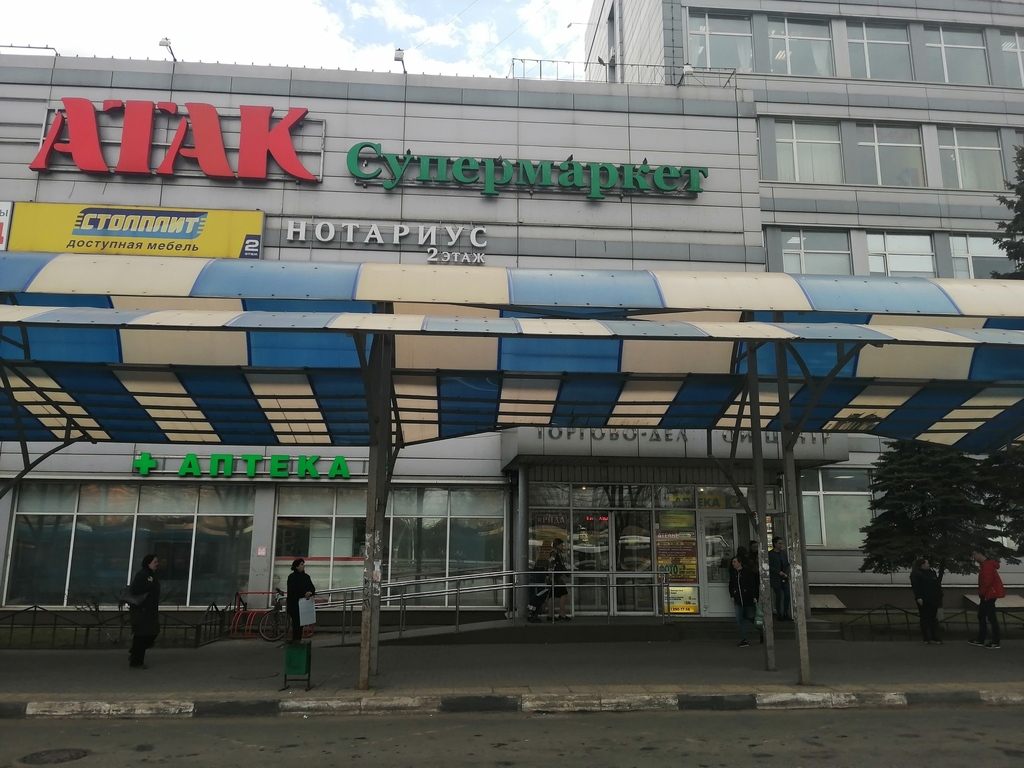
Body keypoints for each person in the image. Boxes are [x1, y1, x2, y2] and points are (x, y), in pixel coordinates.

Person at [127, 554, 160, 669]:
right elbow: (135, 589)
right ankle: (136, 661)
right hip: (142, 611)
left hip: (149, 611)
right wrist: (149, 584)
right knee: (142, 636)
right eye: (154, 562)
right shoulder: (142, 574)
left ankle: (135, 653)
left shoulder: (151, 575)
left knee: (150, 634)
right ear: (148, 563)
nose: (157, 564)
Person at [969, 547, 1005, 649]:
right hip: (988, 594)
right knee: (982, 615)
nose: (973, 557)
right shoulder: (985, 564)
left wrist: (984, 594)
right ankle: (981, 638)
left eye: (974, 554)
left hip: (989, 594)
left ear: (980, 554)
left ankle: (995, 641)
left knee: (990, 617)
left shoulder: (987, 565)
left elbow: (987, 582)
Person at [728, 556, 761, 647]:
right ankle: (744, 639)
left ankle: (761, 630)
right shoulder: (733, 574)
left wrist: (755, 596)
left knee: (751, 617)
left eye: (735, 561)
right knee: (739, 620)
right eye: (732, 562)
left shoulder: (747, 573)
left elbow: (753, 585)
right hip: (738, 600)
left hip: (748, 599)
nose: (733, 563)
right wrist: (732, 595)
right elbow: (731, 585)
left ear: (740, 563)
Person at [909, 557, 943, 644]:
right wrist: (918, 597)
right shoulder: (916, 574)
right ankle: (926, 637)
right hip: (923, 598)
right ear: (922, 565)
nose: (928, 564)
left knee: (933, 617)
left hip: (933, 598)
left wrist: (939, 595)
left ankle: (934, 636)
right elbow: (916, 587)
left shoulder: (932, 573)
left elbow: (936, 585)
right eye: (927, 563)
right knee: (924, 617)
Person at [286, 558, 316, 642]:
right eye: (301, 564)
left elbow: (312, 588)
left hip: (303, 604)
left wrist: (310, 592)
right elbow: (292, 590)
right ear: (297, 566)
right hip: (294, 604)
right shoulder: (292, 577)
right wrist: (304, 594)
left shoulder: (306, 577)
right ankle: (296, 640)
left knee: (300, 624)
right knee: (296, 623)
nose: (303, 566)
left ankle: (297, 640)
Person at [547, 538, 571, 621]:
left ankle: (551, 615)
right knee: (562, 594)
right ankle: (561, 614)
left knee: (552, 595)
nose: (562, 547)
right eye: (561, 545)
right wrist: (553, 575)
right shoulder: (555, 552)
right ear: (557, 545)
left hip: (554, 578)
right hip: (556, 578)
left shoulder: (555, 552)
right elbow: (552, 564)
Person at [768, 537, 791, 621]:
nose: (781, 545)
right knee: (779, 596)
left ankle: (785, 612)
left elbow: (787, 564)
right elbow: (769, 566)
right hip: (776, 578)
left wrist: (786, 573)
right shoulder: (770, 554)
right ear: (775, 544)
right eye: (779, 543)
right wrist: (778, 572)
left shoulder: (783, 553)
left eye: (781, 543)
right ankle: (779, 614)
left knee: (787, 595)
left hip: (784, 577)